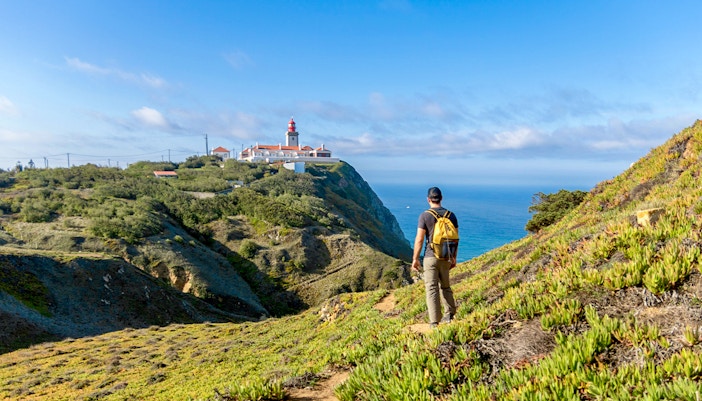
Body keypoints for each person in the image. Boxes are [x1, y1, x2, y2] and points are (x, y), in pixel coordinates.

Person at [411, 187, 458, 328]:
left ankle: (434, 322)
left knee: (431, 288)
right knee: (446, 286)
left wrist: (415, 259)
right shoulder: (451, 215)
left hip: (430, 257)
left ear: (428, 199)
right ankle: (449, 315)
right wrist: (454, 257)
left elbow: (419, 239)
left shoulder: (425, 216)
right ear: (441, 198)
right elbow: (455, 239)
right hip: (446, 256)